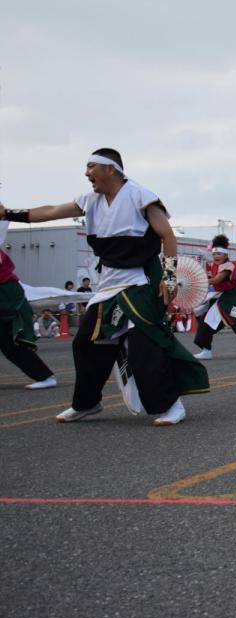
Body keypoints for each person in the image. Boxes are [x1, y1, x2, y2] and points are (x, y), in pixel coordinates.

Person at [0, 148, 209, 424]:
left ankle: (170, 404)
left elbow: (167, 234)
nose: (86, 173)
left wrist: (169, 276)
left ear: (111, 169)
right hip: (109, 283)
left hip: (141, 281)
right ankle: (87, 404)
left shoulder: (139, 196)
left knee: (142, 346)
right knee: (85, 343)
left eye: (91, 167)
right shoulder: (90, 199)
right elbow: (51, 211)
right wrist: (10, 214)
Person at [0, 245, 58, 389]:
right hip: (6, 297)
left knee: (12, 345)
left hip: (7, 298)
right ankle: (44, 376)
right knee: (9, 345)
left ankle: (45, 377)